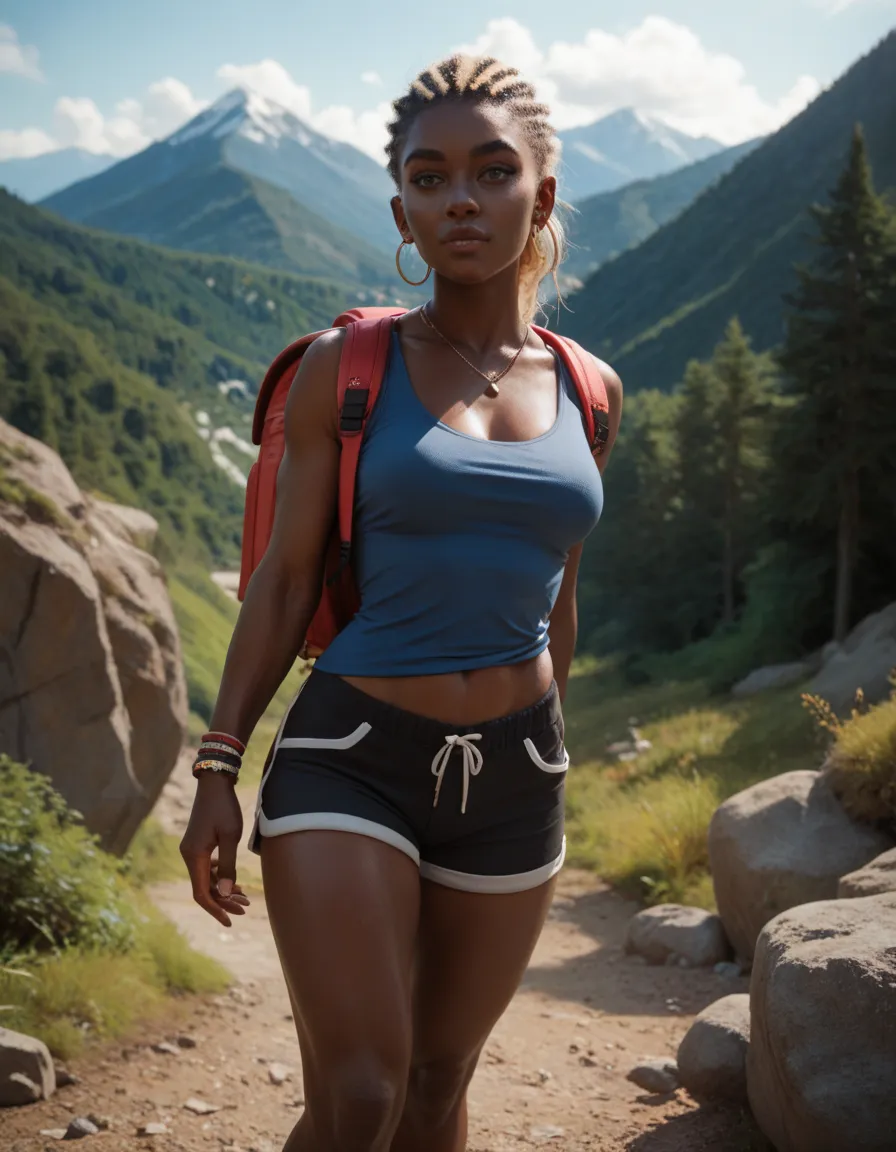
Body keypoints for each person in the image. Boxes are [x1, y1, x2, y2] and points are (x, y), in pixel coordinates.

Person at [180, 52, 623, 1152]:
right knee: (364, 1097)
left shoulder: (588, 387)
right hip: (351, 753)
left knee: (435, 1090)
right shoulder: (349, 364)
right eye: (428, 180)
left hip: (516, 776)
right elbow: (283, 579)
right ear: (401, 210)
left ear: (542, 195)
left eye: (489, 171)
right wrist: (218, 764)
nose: (458, 199)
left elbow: (555, 588)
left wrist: (547, 737)